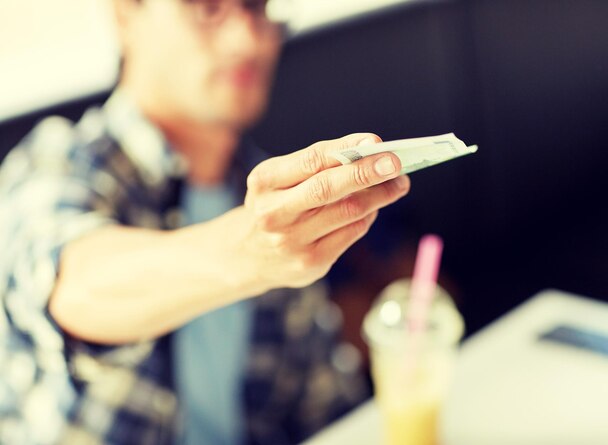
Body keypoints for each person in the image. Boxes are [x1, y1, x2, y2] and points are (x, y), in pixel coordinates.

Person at [0, 0, 411, 443]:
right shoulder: (60, 163)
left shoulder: (270, 198)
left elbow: (322, 404)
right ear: (125, 16)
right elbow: (73, 283)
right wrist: (249, 253)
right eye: (207, 7)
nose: (248, 38)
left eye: (256, 7)